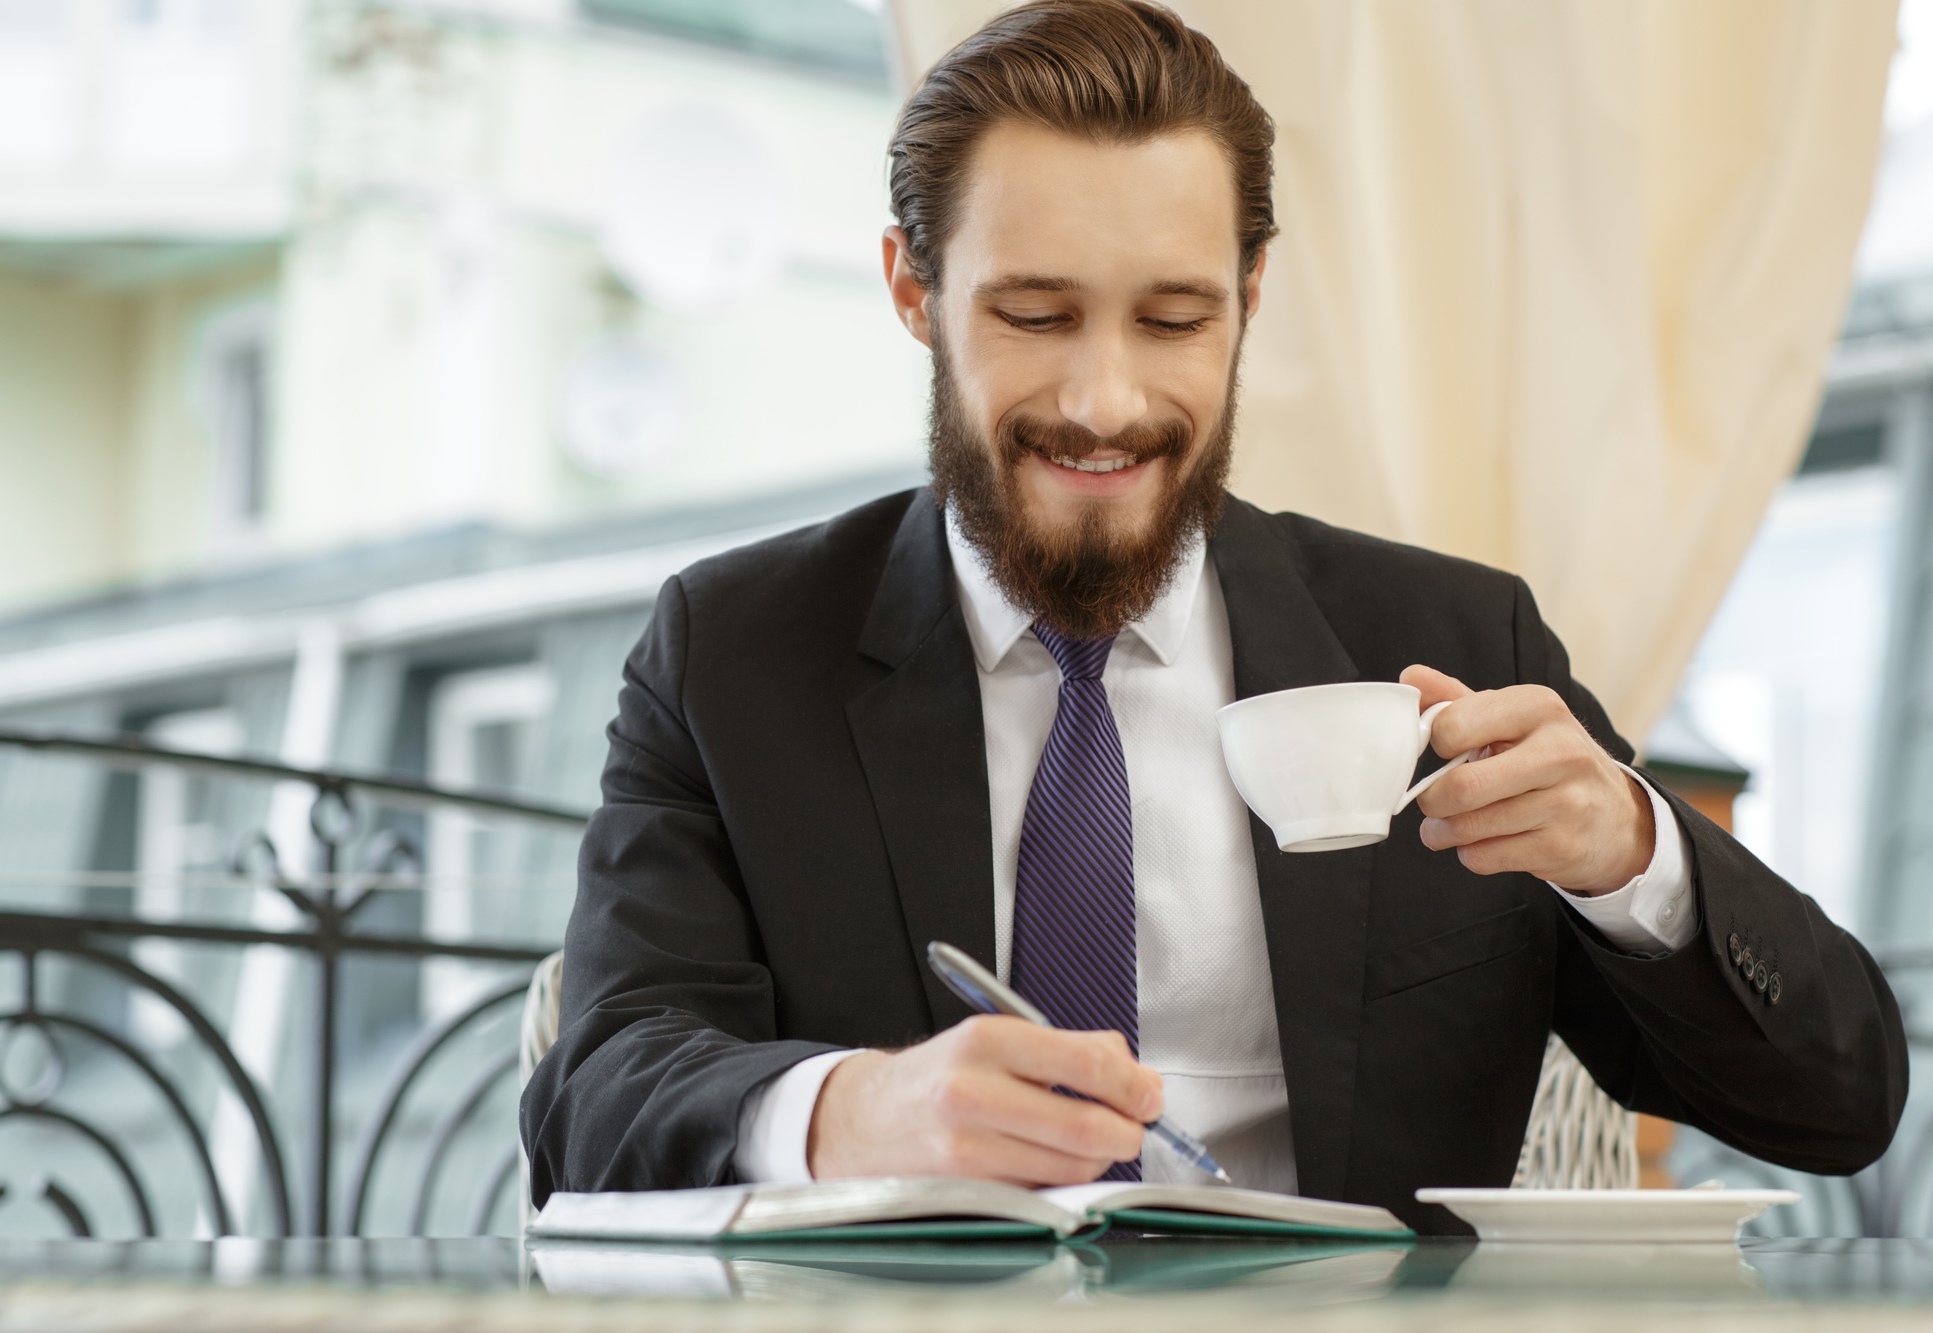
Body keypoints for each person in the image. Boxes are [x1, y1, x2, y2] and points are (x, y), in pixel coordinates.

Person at [519, 0, 1904, 1233]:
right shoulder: (738, 650)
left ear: (1248, 298)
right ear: (912, 289)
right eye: (1037, 314)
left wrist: (1636, 859)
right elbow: (595, 1091)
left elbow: (1841, 1102)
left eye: (1173, 320)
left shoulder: (1453, 638)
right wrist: (853, 1113)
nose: (1106, 401)